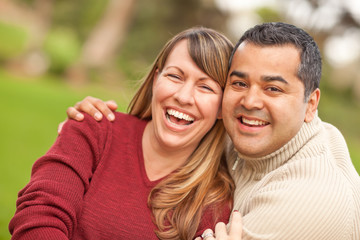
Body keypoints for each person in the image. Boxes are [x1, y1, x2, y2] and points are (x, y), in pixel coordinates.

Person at [66, 22, 360, 240]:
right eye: (240, 83)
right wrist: (92, 133)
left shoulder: (308, 204)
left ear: (311, 104)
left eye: (273, 88)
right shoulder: (241, 134)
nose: (250, 101)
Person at [9, 27, 237, 240]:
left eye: (205, 87)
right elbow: (38, 217)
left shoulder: (215, 202)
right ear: (156, 79)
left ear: (221, 107)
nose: (184, 96)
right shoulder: (94, 127)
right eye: (175, 76)